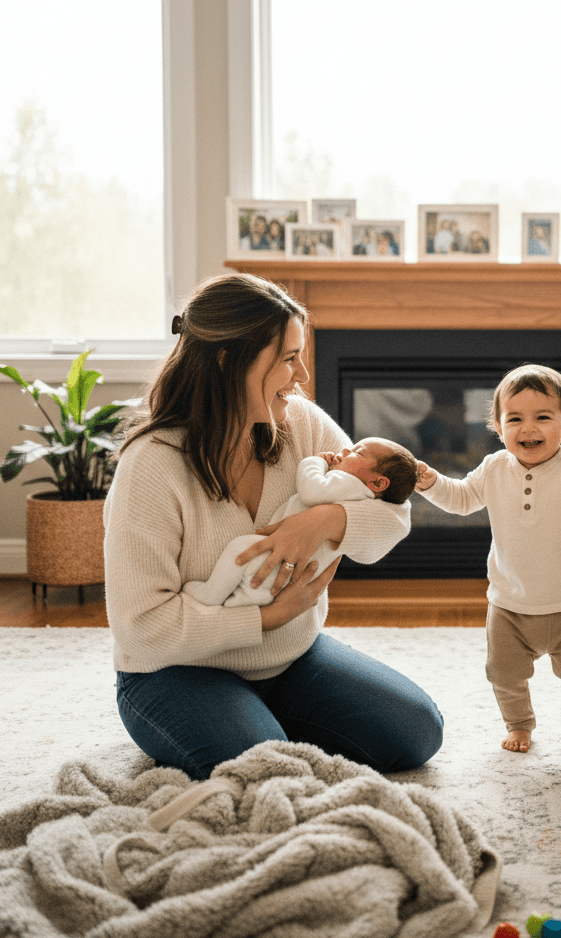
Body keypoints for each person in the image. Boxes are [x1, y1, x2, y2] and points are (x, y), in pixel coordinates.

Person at [104, 273, 443, 780]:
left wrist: (326, 519)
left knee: (419, 729)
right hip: (175, 672)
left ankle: (254, 721)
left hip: (289, 659)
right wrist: (266, 617)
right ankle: (238, 726)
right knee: (273, 773)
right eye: (288, 358)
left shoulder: (300, 424)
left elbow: (394, 511)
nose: (302, 373)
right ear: (228, 361)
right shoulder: (151, 465)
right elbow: (142, 625)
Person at [414, 364, 561, 753]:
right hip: (510, 604)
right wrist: (430, 483)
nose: (529, 428)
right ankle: (520, 723)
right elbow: (460, 499)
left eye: (543, 417)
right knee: (503, 674)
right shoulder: (493, 468)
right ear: (498, 425)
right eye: (515, 419)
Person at [185, 438, 418, 608]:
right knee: (257, 579)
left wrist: (314, 462)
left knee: (240, 548)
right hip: (295, 575)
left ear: (378, 484)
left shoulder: (347, 483)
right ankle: (247, 600)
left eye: (358, 452)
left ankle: (210, 595)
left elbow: (312, 491)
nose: (346, 449)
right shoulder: (363, 495)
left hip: (277, 560)